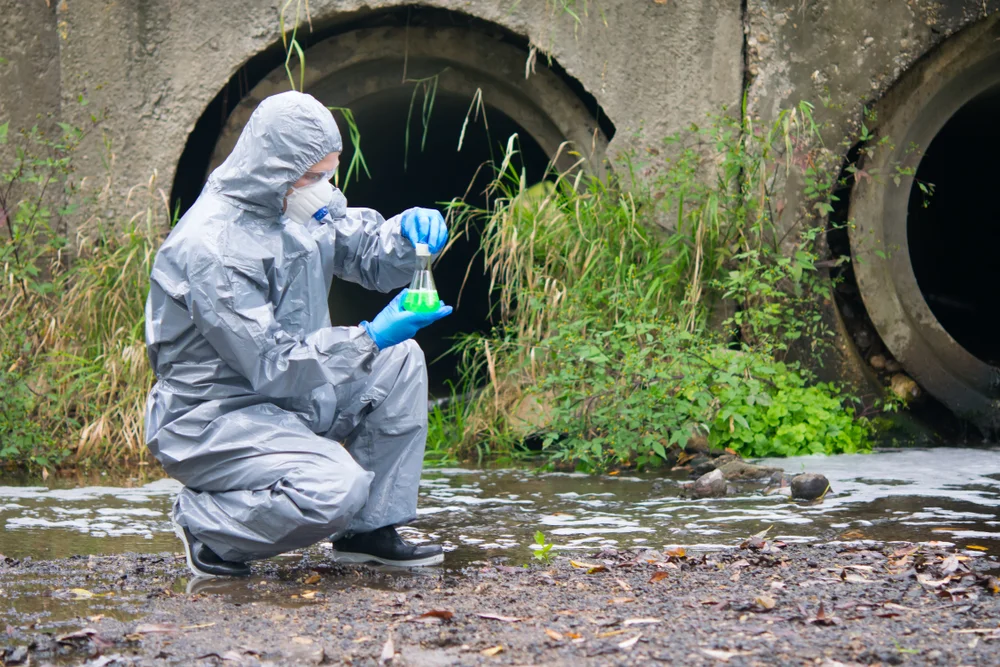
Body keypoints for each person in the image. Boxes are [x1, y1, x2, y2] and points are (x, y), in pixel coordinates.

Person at [144, 90, 452, 578]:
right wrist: (370, 335)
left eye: (329, 173)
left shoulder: (297, 204)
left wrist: (407, 237)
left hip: (290, 398)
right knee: (336, 487)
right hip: (215, 416)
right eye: (312, 177)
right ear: (272, 168)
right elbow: (274, 364)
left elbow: (367, 252)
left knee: (402, 360)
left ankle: (369, 532)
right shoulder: (212, 247)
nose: (323, 188)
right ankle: (209, 527)